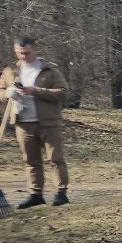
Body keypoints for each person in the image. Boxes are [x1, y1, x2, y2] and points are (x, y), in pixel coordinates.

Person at [2, 36, 71, 208]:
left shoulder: (49, 70)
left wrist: (36, 91)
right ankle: (35, 194)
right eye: (19, 53)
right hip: (23, 122)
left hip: (48, 121)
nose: (23, 56)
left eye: (26, 53)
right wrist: (7, 93)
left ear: (35, 50)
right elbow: (1, 90)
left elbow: (63, 92)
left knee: (55, 158)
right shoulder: (11, 71)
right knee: (31, 160)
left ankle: (61, 193)